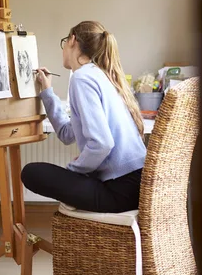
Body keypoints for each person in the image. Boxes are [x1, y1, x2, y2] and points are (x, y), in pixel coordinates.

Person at [21, 21, 146, 213]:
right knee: (56, 174)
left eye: (64, 41)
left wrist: (74, 171)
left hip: (120, 191)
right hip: (136, 185)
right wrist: (47, 92)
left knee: (30, 173)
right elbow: (67, 133)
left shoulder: (82, 78)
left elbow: (102, 143)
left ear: (72, 40)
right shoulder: (100, 75)